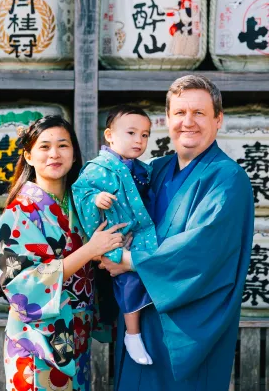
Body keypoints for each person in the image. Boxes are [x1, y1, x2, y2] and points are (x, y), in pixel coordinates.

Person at [99, 75, 255, 391]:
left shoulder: (227, 179)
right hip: (138, 319)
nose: (188, 122)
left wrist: (127, 260)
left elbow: (200, 252)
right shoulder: (153, 170)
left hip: (188, 328)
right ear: (168, 119)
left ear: (218, 119)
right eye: (179, 113)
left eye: (199, 113)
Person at [0, 115, 127, 391]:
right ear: (28, 156)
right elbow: (22, 283)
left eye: (63, 145)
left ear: (74, 154)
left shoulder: (83, 204)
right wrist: (90, 250)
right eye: (44, 147)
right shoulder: (20, 212)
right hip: (36, 336)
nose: (54, 154)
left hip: (77, 330)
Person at [72, 105, 158, 366]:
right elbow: (79, 192)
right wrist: (95, 199)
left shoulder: (141, 168)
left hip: (140, 232)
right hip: (113, 235)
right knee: (128, 280)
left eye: (144, 135)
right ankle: (133, 333)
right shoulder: (97, 168)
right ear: (109, 135)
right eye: (131, 133)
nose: (139, 140)